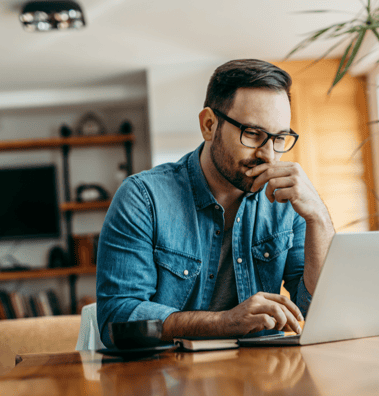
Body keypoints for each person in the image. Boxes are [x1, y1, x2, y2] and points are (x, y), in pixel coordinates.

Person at [96, 59, 335, 347]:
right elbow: (117, 320)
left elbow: (321, 310)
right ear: (209, 125)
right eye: (253, 134)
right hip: (167, 380)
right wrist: (225, 323)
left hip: (262, 380)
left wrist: (318, 217)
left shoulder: (288, 201)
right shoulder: (143, 197)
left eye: (279, 138)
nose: (269, 155)